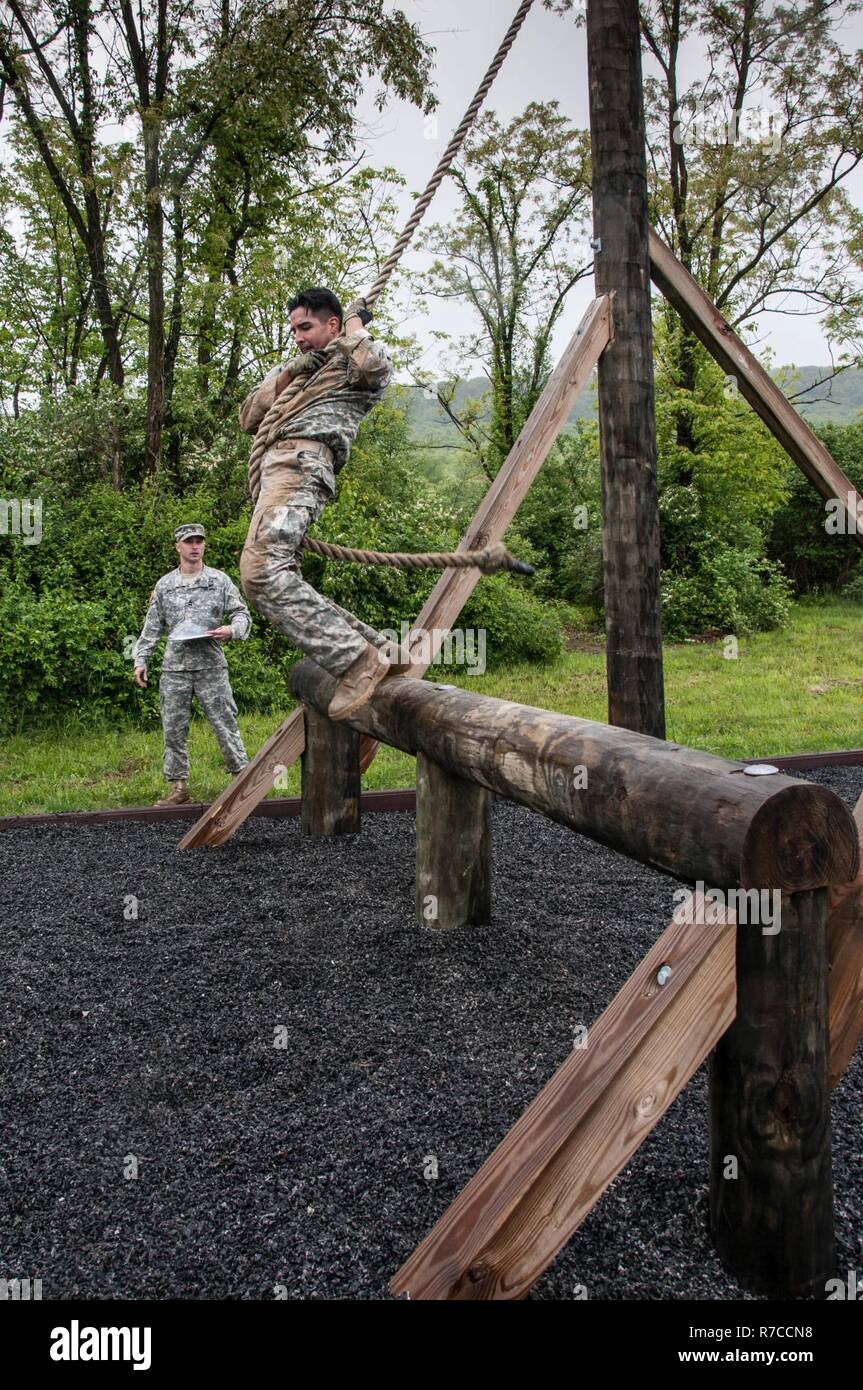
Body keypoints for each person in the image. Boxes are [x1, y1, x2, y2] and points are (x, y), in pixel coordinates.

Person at [238, 287, 413, 722]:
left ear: (332, 325)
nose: (298, 336)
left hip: (303, 462)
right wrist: (290, 371)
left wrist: (355, 325)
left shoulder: (352, 361)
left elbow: (373, 366)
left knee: (261, 573)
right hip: (278, 466)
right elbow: (249, 418)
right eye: (294, 329)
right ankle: (378, 649)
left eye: (306, 327)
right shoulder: (299, 371)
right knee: (276, 572)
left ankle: (357, 661)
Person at [132, 524, 251, 807]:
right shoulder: (165, 585)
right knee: (173, 728)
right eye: (189, 542)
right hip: (175, 669)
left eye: (199, 541)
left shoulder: (219, 581)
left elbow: (241, 614)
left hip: (211, 666)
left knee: (224, 723)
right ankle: (178, 787)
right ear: (178, 547)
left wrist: (231, 631)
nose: (194, 546)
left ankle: (242, 780)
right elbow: (152, 627)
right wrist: (141, 659)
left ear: (204, 545)